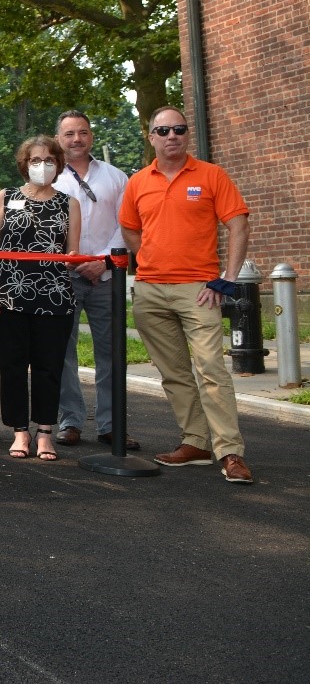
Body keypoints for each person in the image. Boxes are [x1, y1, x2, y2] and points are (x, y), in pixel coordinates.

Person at [119, 107, 254, 484]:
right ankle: (195, 442)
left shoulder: (211, 175)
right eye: (162, 130)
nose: (171, 136)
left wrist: (227, 279)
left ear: (187, 134)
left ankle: (230, 452)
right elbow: (129, 228)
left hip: (200, 290)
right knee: (174, 373)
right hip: (149, 290)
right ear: (151, 137)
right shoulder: (138, 182)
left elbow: (238, 224)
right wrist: (148, 255)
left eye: (178, 129)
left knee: (211, 369)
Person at [0, 136, 81, 462]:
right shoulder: (6, 197)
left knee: (48, 367)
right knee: (12, 366)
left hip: (54, 296)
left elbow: (72, 251)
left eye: (49, 160)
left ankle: (45, 432)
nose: (42, 166)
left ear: (58, 165)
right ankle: (20, 431)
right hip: (8, 294)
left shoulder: (69, 203)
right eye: (36, 160)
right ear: (25, 164)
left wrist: (78, 259)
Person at [51, 110, 137, 449]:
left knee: (111, 352)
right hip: (64, 276)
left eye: (83, 132)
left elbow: (128, 224)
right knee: (63, 352)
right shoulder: (52, 179)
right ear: (59, 138)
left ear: (91, 136)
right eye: (69, 133)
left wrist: (103, 260)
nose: (76, 139)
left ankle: (111, 424)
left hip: (107, 276)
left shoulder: (116, 177)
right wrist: (72, 260)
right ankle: (70, 421)